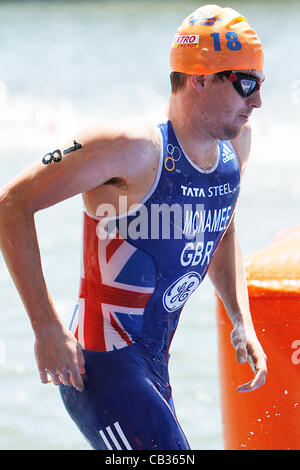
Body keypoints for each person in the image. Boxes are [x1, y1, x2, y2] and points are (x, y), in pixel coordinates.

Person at [0, 5, 267, 450]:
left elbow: (223, 227)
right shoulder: (130, 149)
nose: (256, 101)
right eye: (245, 84)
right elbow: (12, 202)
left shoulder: (234, 146)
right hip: (99, 369)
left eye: (260, 85)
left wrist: (243, 320)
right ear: (199, 78)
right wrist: (45, 326)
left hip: (153, 368)